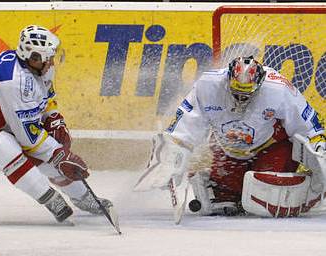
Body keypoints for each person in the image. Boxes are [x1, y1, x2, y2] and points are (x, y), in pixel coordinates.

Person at [135, 56, 326, 217]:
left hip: (272, 147)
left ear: (259, 84)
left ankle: (310, 195)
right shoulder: (207, 86)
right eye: (236, 93)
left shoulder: (278, 88)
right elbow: (186, 123)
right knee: (223, 199)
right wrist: (172, 154)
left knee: (266, 194)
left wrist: (318, 152)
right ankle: (232, 186)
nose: (241, 99)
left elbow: (307, 124)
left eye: (247, 94)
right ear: (227, 80)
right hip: (228, 149)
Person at [0, 25, 113, 222]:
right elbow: (29, 139)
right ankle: (48, 198)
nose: (52, 60)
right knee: (2, 146)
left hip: (3, 115)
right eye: (48, 56)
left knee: (49, 150)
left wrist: (54, 118)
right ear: (34, 57)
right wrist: (59, 155)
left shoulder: (40, 67)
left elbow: (45, 98)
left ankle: (83, 197)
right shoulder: (13, 81)